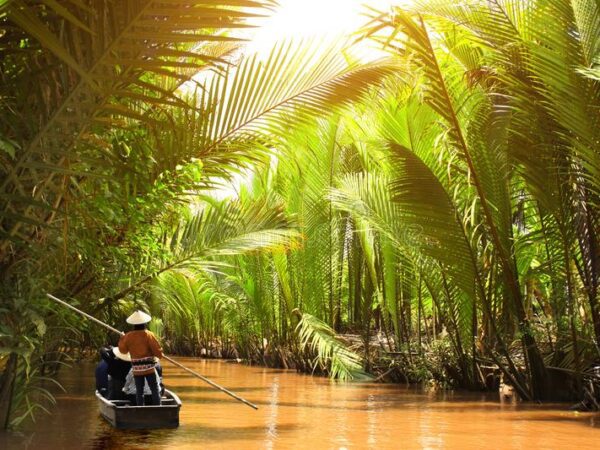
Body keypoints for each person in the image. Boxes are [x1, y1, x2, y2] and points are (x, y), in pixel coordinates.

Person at [118, 310, 163, 406]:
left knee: (139, 390)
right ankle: (158, 408)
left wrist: (122, 338)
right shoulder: (148, 335)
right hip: (149, 369)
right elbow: (157, 351)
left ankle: (140, 409)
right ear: (144, 323)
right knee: (154, 389)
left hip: (137, 369)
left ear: (133, 325)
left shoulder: (128, 336)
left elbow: (123, 351)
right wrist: (160, 355)